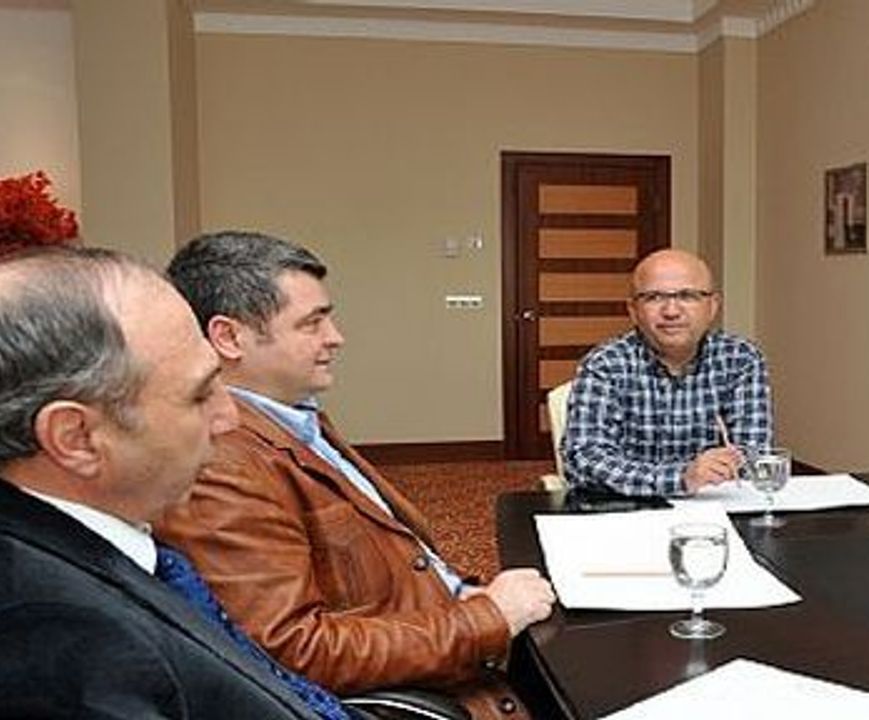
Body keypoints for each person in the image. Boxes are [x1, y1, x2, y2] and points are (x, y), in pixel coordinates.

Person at [154, 231, 554, 719]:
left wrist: (468, 600)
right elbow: (293, 651)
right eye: (312, 323)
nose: (335, 337)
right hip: (440, 691)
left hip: (447, 630)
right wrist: (486, 618)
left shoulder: (293, 417)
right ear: (229, 337)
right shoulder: (221, 464)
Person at [0, 247, 325, 719]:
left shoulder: (98, 539)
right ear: (77, 438)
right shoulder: (51, 639)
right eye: (200, 395)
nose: (229, 417)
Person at [562, 248, 773, 496]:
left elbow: (753, 455)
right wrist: (680, 478)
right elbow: (584, 461)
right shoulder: (605, 364)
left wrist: (728, 466)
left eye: (687, 296)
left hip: (715, 503)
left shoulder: (741, 359)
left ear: (712, 306)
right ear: (633, 310)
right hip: (630, 508)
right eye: (654, 297)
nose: (671, 311)